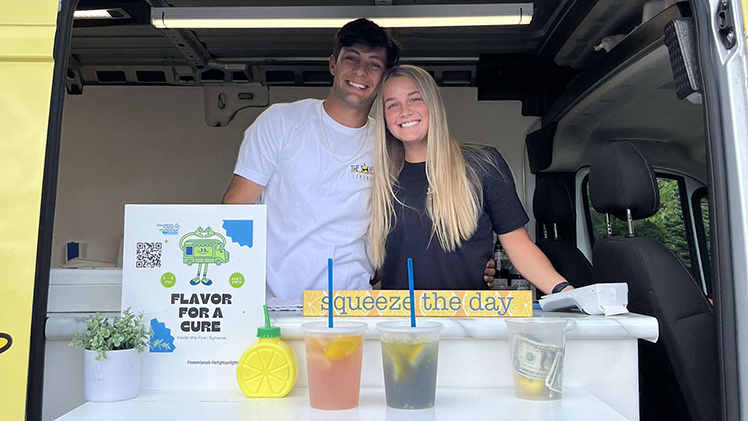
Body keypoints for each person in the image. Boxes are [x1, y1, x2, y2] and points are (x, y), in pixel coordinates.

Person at [369, 65, 572, 294]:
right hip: (400, 322)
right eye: (393, 104)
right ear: (384, 117)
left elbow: (518, 244)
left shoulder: (483, 163)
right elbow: (369, 260)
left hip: (468, 321)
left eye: (415, 99)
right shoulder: (378, 178)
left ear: (433, 105)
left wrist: (565, 291)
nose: (404, 111)